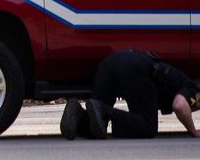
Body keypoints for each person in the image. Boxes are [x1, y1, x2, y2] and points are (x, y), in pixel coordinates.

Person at [61, 50, 200, 140]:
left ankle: (78, 114)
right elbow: (180, 105)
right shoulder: (194, 88)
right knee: (148, 128)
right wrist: (193, 131)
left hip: (110, 63)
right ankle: (104, 110)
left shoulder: (180, 80)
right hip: (135, 70)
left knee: (96, 127)